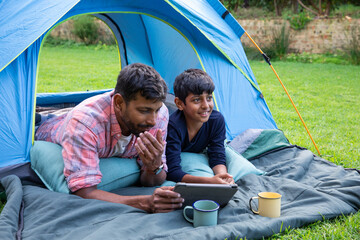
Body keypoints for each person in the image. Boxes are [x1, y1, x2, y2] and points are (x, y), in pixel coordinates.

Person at [35, 63, 183, 213]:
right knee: (44, 121)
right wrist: (144, 203)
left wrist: (154, 166)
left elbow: (153, 180)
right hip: (50, 128)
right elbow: (84, 193)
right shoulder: (84, 123)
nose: (152, 121)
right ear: (119, 103)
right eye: (144, 110)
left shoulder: (160, 114)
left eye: (156, 110)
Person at [165, 69, 234, 184]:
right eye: (197, 100)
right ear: (179, 104)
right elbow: (172, 171)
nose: (206, 106)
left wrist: (224, 177)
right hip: (186, 160)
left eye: (209, 98)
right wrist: (209, 181)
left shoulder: (216, 120)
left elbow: (217, 155)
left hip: (204, 153)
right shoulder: (173, 126)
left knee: (231, 156)